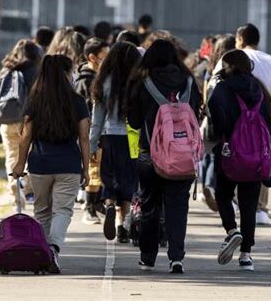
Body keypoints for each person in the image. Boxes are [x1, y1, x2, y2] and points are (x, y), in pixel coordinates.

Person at [127, 39, 202, 273]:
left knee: (150, 206)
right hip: (183, 156)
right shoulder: (189, 82)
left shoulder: (142, 82)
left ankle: (148, 257)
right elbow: (196, 115)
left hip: (150, 154)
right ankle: (176, 257)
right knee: (178, 207)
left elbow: (134, 120)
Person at [12, 55, 90, 274]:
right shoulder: (77, 101)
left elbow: (26, 136)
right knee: (63, 210)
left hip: (40, 164)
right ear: (67, 74)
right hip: (69, 164)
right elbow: (84, 137)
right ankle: (53, 248)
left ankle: (43, 252)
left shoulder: (35, 100)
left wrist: (19, 164)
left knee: (42, 211)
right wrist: (86, 168)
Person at [213, 23, 271, 225]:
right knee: (263, 157)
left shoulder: (230, 58)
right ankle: (260, 208)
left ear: (240, 38)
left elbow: (213, 86)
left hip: (234, 119)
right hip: (262, 118)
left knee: (233, 156)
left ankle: (232, 201)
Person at [208, 49, 271, 271]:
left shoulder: (222, 89)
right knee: (249, 204)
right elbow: (270, 127)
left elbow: (217, 120)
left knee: (223, 194)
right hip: (257, 157)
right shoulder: (259, 90)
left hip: (231, 152)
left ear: (227, 67)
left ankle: (232, 230)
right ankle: (246, 255)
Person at [90, 41, 141, 243]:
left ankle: (109, 204)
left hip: (109, 135)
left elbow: (97, 117)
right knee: (128, 179)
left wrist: (92, 144)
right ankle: (122, 226)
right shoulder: (138, 81)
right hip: (133, 136)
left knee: (109, 177)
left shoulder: (104, 81)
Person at [0, 39, 42, 206]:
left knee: (12, 157)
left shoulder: (5, 71)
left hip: (7, 122)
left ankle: (15, 192)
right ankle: (26, 187)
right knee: (29, 156)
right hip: (29, 122)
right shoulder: (35, 72)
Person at [75, 37, 110, 225]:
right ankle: (89, 208)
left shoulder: (100, 78)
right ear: (92, 57)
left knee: (100, 170)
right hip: (90, 133)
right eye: (104, 56)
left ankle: (97, 203)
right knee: (93, 170)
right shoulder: (85, 81)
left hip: (102, 131)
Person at [201, 34, 236, 212]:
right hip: (225, 117)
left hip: (210, 116)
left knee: (209, 153)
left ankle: (206, 185)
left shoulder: (211, 67)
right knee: (220, 154)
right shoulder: (231, 68)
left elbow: (206, 90)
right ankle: (210, 186)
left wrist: (206, 110)